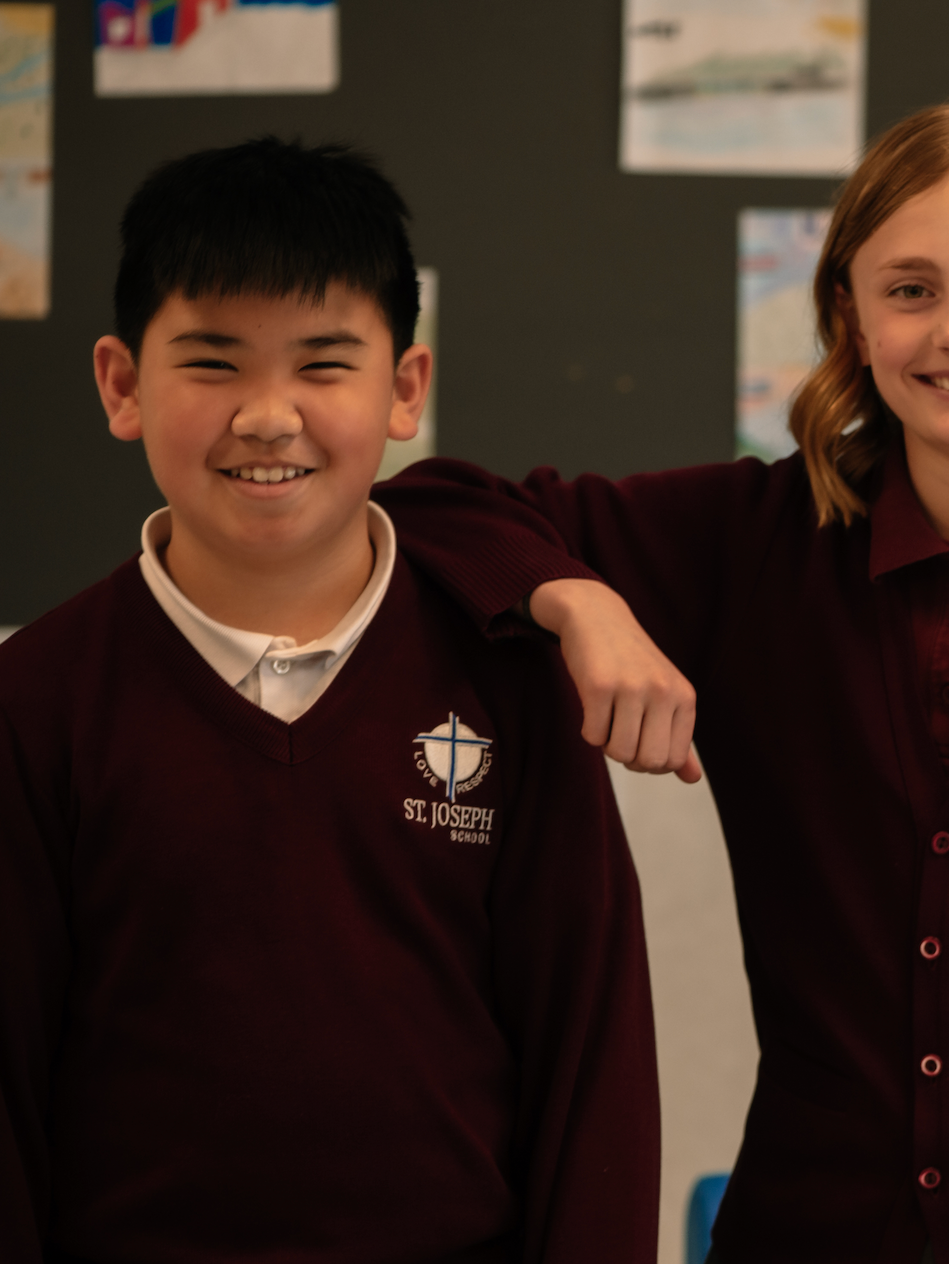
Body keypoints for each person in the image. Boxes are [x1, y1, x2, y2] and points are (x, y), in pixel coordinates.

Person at [374, 104, 949, 1264]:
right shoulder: (764, 541)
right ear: (852, 323)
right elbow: (426, 507)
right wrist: (582, 601)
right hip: (805, 1226)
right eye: (909, 289)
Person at [0, 139, 661, 1263]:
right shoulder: (35, 701)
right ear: (121, 384)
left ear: (406, 389)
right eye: (211, 363)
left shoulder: (509, 683)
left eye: (323, 363)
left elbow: (589, 1062)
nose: (268, 416)